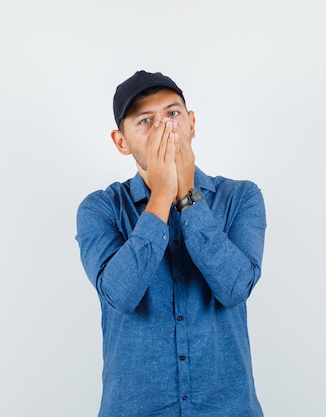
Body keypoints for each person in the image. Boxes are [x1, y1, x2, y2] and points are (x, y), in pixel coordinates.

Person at [75, 70, 267, 416]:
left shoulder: (240, 197)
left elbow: (236, 286)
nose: (165, 129)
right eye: (145, 121)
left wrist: (188, 197)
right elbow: (119, 294)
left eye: (173, 114)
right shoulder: (100, 208)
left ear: (192, 123)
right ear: (122, 142)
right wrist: (162, 195)